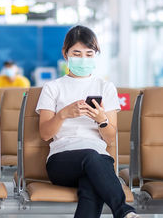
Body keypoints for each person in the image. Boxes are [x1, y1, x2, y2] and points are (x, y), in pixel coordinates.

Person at [35, 25, 138, 218]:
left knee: (91, 185)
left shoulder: (105, 87)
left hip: (98, 161)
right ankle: (124, 212)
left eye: (89, 54)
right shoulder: (52, 88)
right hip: (62, 161)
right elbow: (45, 134)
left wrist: (102, 120)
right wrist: (63, 114)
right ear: (66, 54)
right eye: (77, 53)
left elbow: (110, 139)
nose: (83, 59)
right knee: (92, 158)